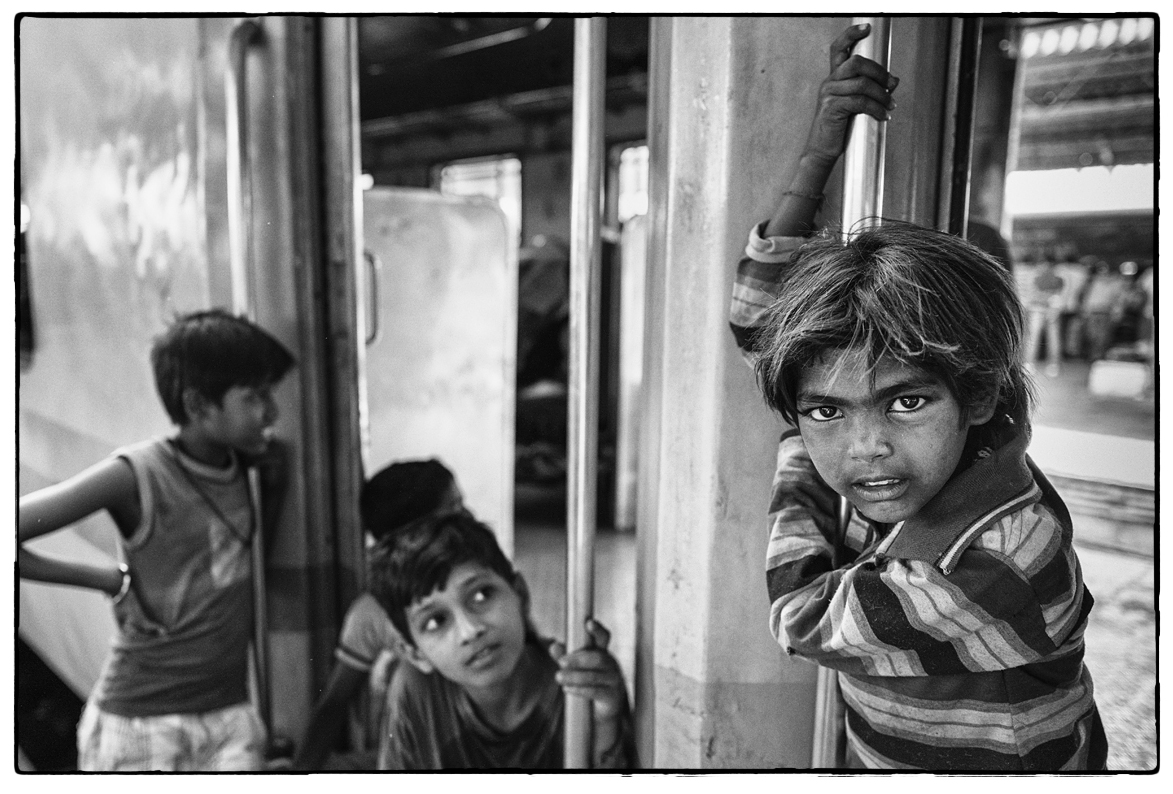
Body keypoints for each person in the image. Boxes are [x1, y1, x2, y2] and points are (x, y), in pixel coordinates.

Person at [728, 24, 1107, 771]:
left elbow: (802, 615)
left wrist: (804, 448)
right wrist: (820, 147)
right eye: (830, 408)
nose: (866, 448)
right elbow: (757, 327)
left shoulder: (1006, 559)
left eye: (905, 403)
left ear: (975, 393)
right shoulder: (921, 465)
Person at [18, 309, 296, 771]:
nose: (272, 411)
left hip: (226, 712)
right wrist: (109, 579)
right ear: (198, 406)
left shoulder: (247, 466)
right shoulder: (135, 475)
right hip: (145, 722)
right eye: (255, 397)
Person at [367, 509, 636, 769]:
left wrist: (606, 719)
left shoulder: (578, 686)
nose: (470, 630)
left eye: (481, 595)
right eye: (436, 621)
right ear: (415, 653)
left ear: (520, 595)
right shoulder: (416, 690)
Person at [291, 458, 464, 770]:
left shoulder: (476, 594)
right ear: (413, 535)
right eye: (453, 511)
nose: (468, 519)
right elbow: (333, 704)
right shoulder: (373, 613)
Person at [1023, 253, 1066, 376]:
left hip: (1039, 308)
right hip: (1052, 308)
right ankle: (1053, 365)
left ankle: (1030, 364)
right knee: (1053, 338)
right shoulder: (1058, 277)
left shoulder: (1036, 276)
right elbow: (1060, 294)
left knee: (1035, 338)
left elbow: (1032, 295)